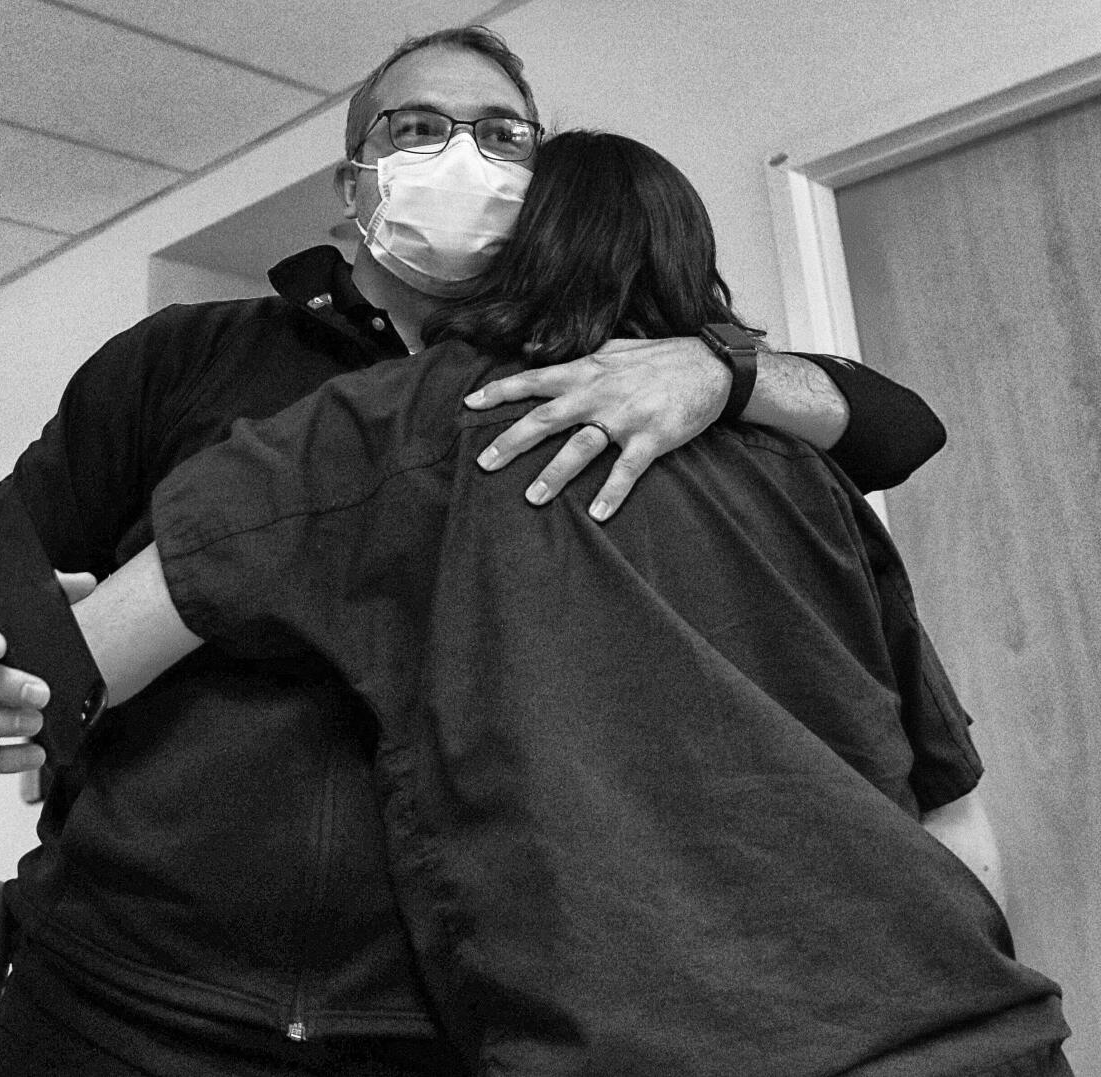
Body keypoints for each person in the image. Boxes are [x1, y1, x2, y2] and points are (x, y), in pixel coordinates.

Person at [0, 27, 950, 1075]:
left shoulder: (605, 391)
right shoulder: (185, 359)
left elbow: (893, 429)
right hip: (129, 990)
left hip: (451, 1014)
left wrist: (722, 370)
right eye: (417, 127)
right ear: (354, 183)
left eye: (501, 136)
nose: (461, 155)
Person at [63, 130, 1070, 1074]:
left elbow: (69, 673)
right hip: (976, 1030)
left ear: (509, 249)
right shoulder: (810, 475)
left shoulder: (399, 425)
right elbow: (957, 817)